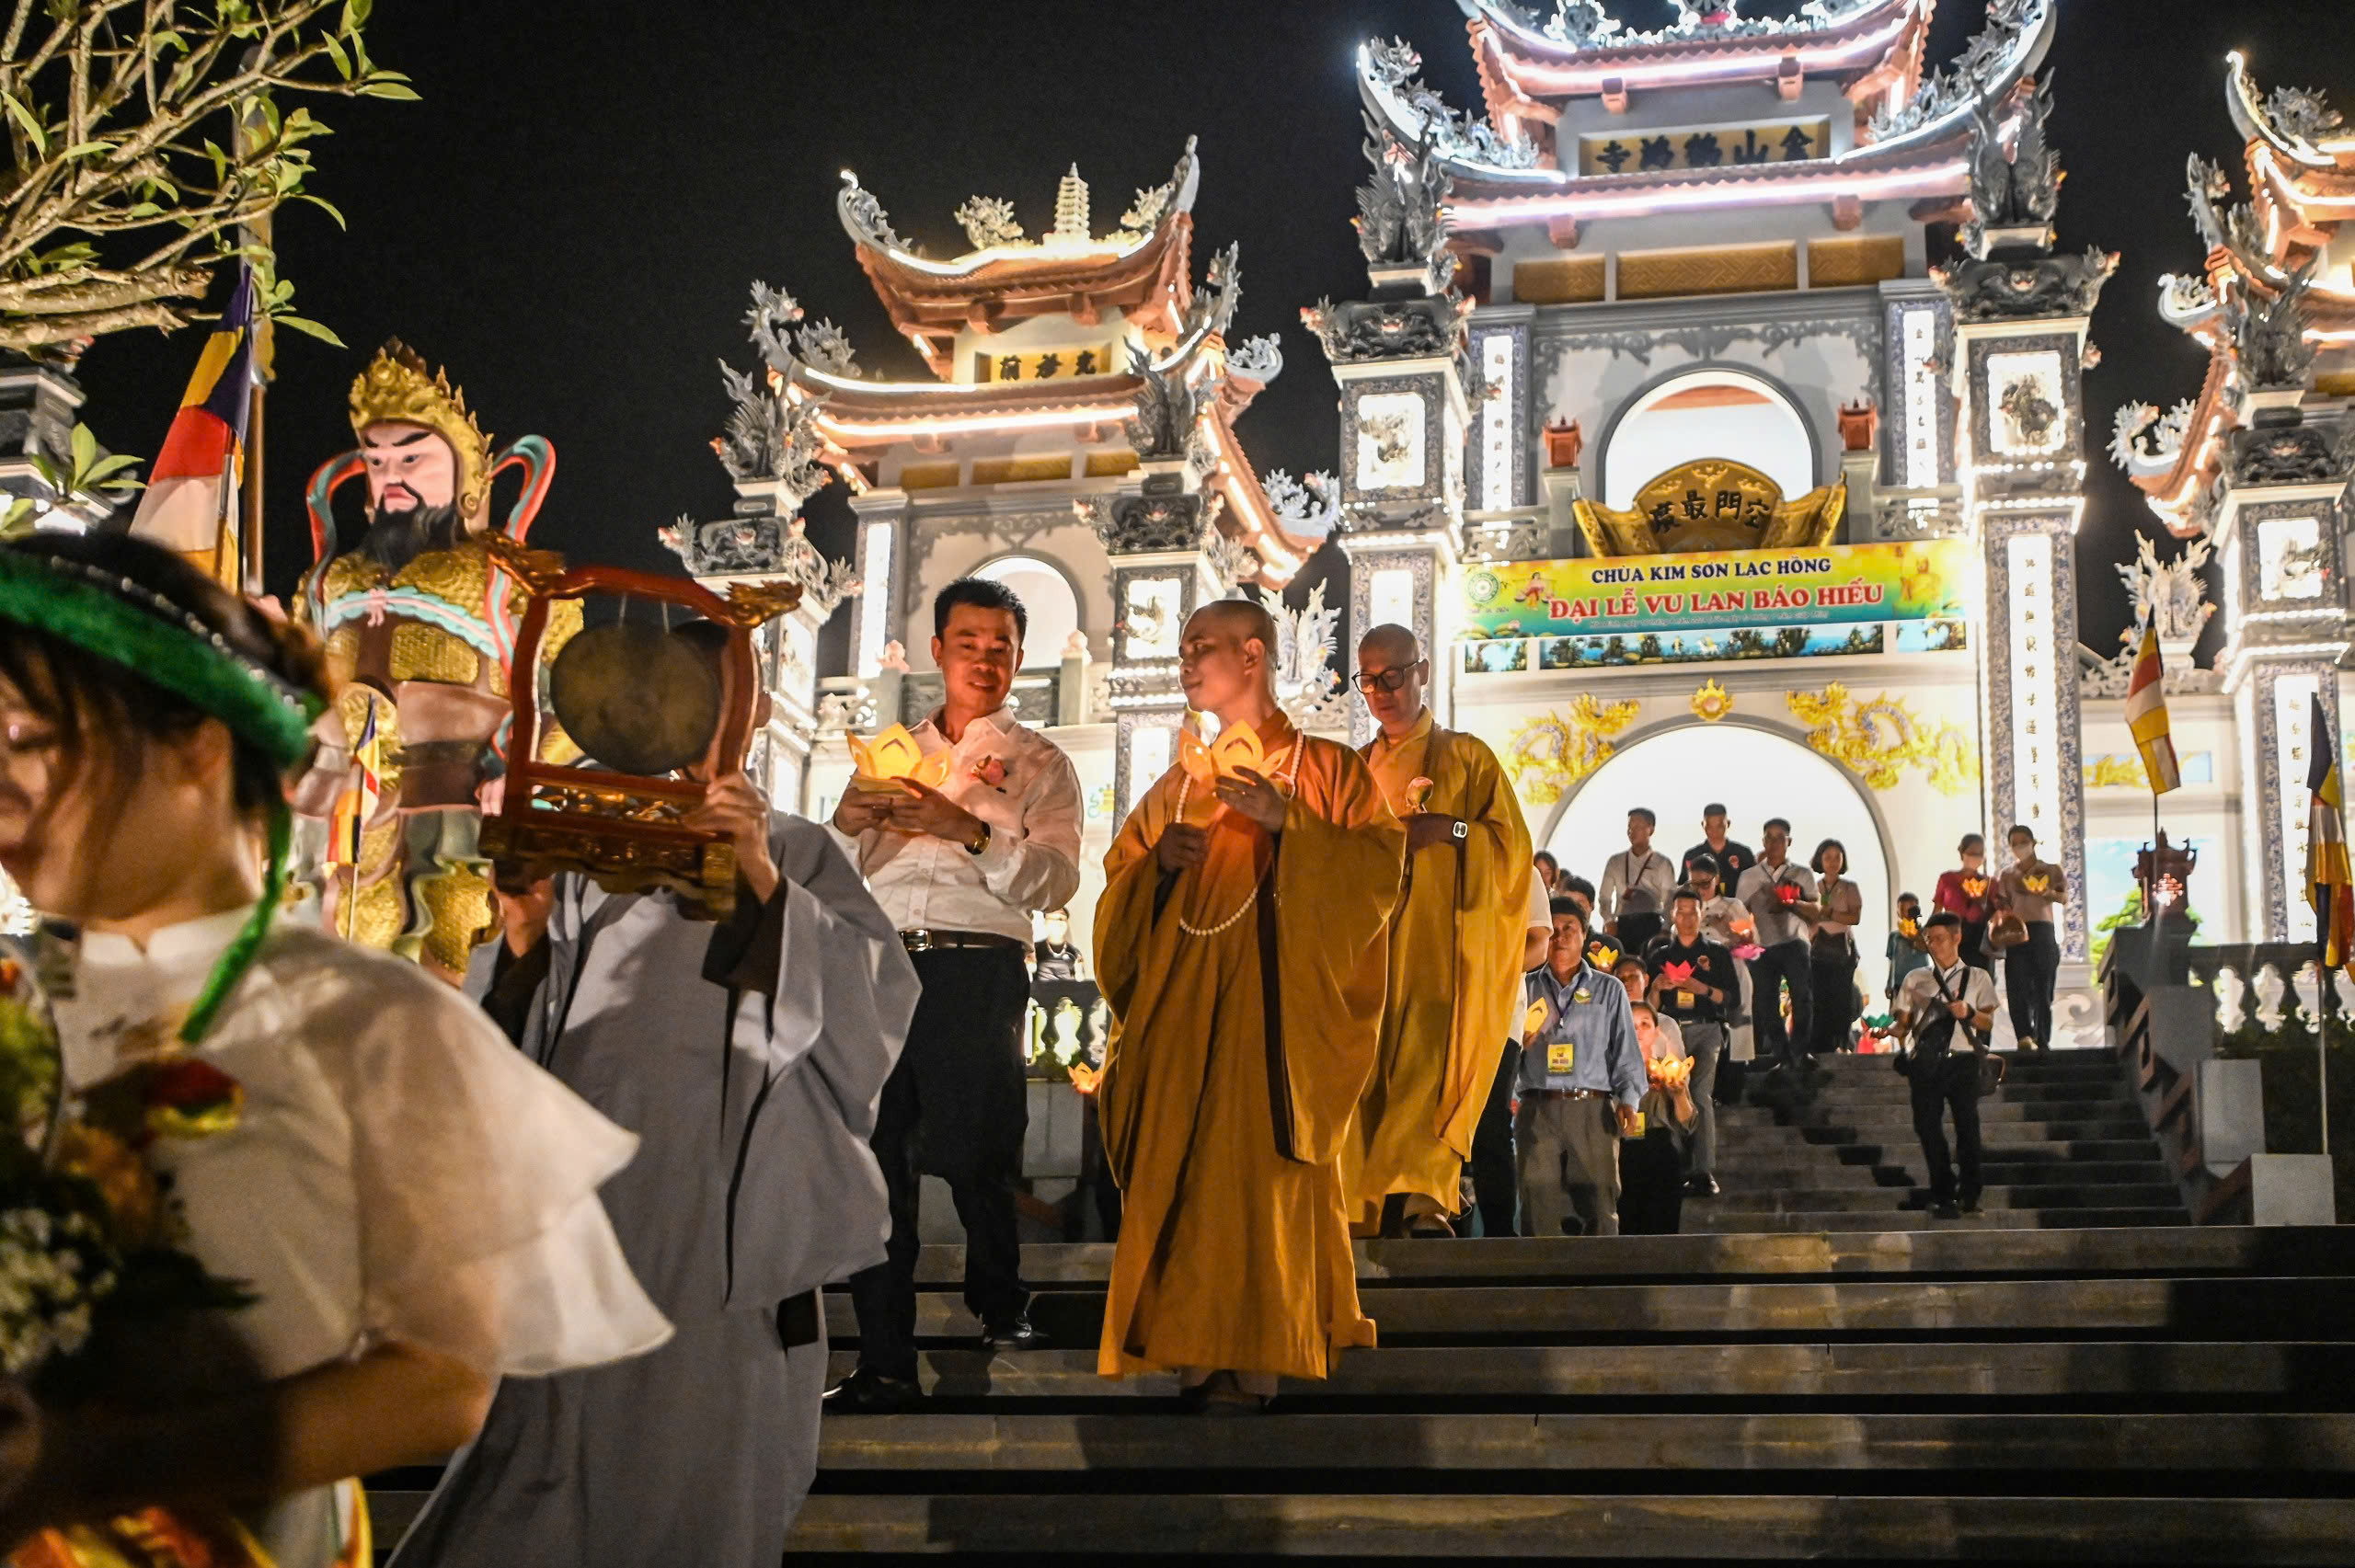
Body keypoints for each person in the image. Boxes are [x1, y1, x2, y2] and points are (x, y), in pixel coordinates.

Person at [0, 532, 666, 1567]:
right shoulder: (14, 1001)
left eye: (33, 739)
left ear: (196, 745)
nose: (4, 788)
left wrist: (93, 1469)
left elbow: (437, 1381)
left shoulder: (371, 1023)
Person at [397, 624, 920, 1568]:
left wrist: (760, 881)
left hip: (713, 1222)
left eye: (723, 698)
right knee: (535, 1485)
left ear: (754, 711)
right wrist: (520, 936)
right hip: (583, 1213)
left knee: (696, 1490)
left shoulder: (797, 852)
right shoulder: (580, 854)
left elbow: (870, 1011)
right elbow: (508, 1040)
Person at [1094, 601, 1404, 1410]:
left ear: (1255, 655)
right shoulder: (1180, 782)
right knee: (1191, 1177)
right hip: (1185, 1016)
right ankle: (1192, 1356)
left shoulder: (1327, 771)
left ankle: (1264, 1356)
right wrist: (1158, 866)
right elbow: (1118, 886)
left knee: (1262, 1178)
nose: (1187, 663)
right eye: (1185, 648)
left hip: (1278, 1020)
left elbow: (1378, 874)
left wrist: (1291, 824)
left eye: (1203, 648)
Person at [826, 579, 1085, 1413]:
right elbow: (831, 874)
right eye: (968, 641)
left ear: (1020, 655)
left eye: (1001, 644)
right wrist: (843, 818)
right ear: (936, 649)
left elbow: (1055, 879)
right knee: (877, 1162)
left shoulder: (1042, 762)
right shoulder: (886, 754)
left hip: (978, 965)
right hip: (882, 965)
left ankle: (1001, 1304)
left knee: (981, 1150)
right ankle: (884, 1356)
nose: (986, 658)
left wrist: (969, 830)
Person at [1342, 624, 1533, 1239]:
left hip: (1440, 955)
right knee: (1364, 1075)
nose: (1381, 692)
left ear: (1421, 670)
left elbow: (1511, 850)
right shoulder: (1353, 771)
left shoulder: (1466, 757)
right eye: (1368, 680)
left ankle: (1425, 1199)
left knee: (1427, 1070)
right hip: (1366, 952)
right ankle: (1366, 1205)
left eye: (1393, 676)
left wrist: (1452, 832)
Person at [1517, 900, 1647, 1238]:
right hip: (1536, 1106)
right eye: (1553, 931)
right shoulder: (1523, 987)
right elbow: (1499, 1055)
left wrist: (1629, 1100)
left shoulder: (1609, 988)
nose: (1560, 938)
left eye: (1568, 929)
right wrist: (1518, 1044)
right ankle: (1541, 1287)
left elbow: (1626, 1052)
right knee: (1537, 1207)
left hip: (1592, 1106)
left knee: (1601, 1207)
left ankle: (1603, 1285)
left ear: (1585, 934)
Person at [1466, 857, 1557, 1240]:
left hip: (1496, 1013)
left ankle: (1500, 1231)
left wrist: (1484, 970)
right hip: (1436, 1007)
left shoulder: (1521, 871)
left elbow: (1538, 945)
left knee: (1490, 1122)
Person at [1894, 911, 1997, 1219]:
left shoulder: (1978, 977)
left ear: (1957, 937)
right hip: (1926, 1062)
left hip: (1963, 1059)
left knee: (1967, 1127)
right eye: (1929, 940)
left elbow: (1988, 1020)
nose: (1933, 945)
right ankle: (1943, 1191)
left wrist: (1967, 1011)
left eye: (1939, 938)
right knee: (1926, 1125)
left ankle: (1970, 1192)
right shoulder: (1916, 978)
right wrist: (1888, 1030)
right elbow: (1903, 1022)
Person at [1646, 887, 1735, 1196]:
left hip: (1706, 1027)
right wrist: (1657, 986)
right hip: (1668, 1027)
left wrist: (1703, 989)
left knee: (1699, 1092)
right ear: (1672, 915)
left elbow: (1731, 999)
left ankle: (1702, 1169)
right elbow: (1647, 1006)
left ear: (1702, 914)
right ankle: (1670, 1164)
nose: (1686, 918)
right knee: (1666, 1093)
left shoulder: (1717, 953)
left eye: (1692, 911)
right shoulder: (1659, 955)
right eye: (1680, 911)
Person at [1735, 818, 1821, 1074]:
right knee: (1765, 1001)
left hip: (1795, 941)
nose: (1774, 843)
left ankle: (1800, 1051)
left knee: (1801, 997)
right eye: (1769, 838)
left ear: (1789, 842)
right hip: (1763, 945)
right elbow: (1740, 911)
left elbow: (1816, 910)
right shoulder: (1748, 876)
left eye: (1779, 838)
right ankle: (1783, 1054)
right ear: (1763, 842)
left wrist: (1790, 903)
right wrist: (1743, 933)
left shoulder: (1802, 873)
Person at [1618, 1001, 1700, 1235]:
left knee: (1662, 1228)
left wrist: (1678, 1094)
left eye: (1645, 1024)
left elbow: (1688, 1124)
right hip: (1622, 1151)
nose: (1638, 1030)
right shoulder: (1608, 1071)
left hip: (1660, 1151)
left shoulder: (1669, 1071)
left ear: (1656, 1032)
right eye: (1631, 1024)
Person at [1998, 826, 2069, 1050]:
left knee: (2043, 986)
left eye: (2023, 841)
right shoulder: (2007, 875)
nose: (2020, 847)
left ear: (2033, 842)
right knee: (2017, 985)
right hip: (2017, 933)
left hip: (2043, 931)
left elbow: (2064, 897)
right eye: (2015, 843)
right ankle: (2024, 1037)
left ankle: (2042, 1038)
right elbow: (2001, 903)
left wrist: (2046, 893)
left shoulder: (2050, 870)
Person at [1809, 839, 1865, 1055]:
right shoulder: (1813, 887)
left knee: (1841, 1000)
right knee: (1819, 1000)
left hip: (1841, 950)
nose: (1832, 862)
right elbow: (1807, 916)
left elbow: (1855, 916)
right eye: (1827, 857)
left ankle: (1842, 1044)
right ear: (1820, 860)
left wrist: (1831, 913)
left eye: (1837, 857)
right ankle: (1819, 1047)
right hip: (1818, 949)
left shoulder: (1850, 887)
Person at [1596, 807, 1674, 956]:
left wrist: (1666, 928)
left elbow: (1669, 899)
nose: (1632, 831)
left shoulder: (1662, 863)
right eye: (1630, 827)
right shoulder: (1615, 862)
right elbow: (1604, 897)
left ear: (1650, 830)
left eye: (1637, 827)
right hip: (1622, 925)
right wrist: (1609, 921)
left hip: (1651, 924)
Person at [1933, 833, 1997, 977]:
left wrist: (1982, 903)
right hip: (1952, 935)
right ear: (1962, 852)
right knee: (1953, 979)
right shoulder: (1947, 879)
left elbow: (1996, 913)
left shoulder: (1989, 883)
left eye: (1980, 853)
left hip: (1979, 938)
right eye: (1972, 853)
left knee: (1980, 980)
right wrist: (1931, 934)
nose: (1976, 856)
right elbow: (1937, 911)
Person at [1682, 803, 1756, 889]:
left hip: (1738, 902)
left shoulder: (1743, 854)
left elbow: (1754, 887)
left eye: (1719, 826)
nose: (1714, 830)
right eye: (1709, 826)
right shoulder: (1692, 856)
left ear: (1728, 823)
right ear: (1703, 825)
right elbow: (1684, 888)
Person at [1885, 892, 1929, 1009]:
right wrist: (1889, 983)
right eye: (1902, 909)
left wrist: (1912, 937)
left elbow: (1927, 948)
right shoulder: (1894, 936)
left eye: (1910, 909)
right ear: (1897, 912)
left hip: (1920, 983)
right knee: (1897, 1015)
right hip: (1899, 983)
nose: (1906, 913)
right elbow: (1892, 961)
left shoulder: (1924, 932)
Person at [1033, 905, 1085, 980]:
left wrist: (1079, 971)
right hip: (1041, 991)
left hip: (1067, 991)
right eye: (1053, 918)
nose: (1058, 922)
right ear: (1045, 922)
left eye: (1062, 918)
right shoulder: (1033, 949)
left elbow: (1080, 981)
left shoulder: (1074, 953)